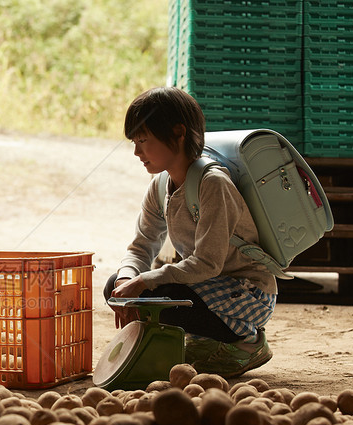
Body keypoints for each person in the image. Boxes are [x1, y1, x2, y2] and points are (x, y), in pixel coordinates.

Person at [106, 87, 277, 378]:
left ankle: (247, 342)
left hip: (247, 293)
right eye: (135, 142)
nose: (136, 152)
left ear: (178, 133)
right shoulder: (161, 186)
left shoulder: (213, 184)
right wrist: (126, 282)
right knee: (115, 286)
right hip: (205, 287)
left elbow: (208, 263)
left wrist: (145, 282)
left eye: (143, 140)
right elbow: (141, 247)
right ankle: (205, 338)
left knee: (161, 293)